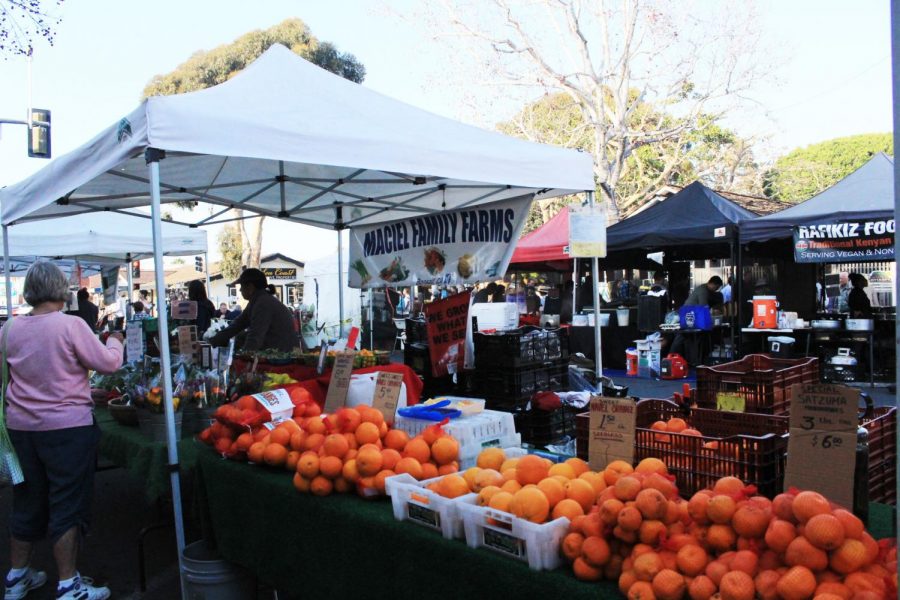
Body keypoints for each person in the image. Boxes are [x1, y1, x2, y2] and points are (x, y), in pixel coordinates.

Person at [2, 261, 123, 600]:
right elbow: (109, 363)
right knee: (66, 504)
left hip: (22, 429)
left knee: (26, 501)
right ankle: (69, 585)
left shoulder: (9, 329)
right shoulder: (70, 325)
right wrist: (115, 341)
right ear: (60, 289)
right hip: (67, 430)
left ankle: (16, 578)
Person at [209, 268, 298, 352]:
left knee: (242, 338)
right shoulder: (258, 300)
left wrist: (244, 357)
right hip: (277, 351)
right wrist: (212, 341)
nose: (240, 290)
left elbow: (255, 337)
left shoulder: (263, 303)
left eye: (241, 286)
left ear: (250, 287)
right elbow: (237, 324)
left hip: (280, 356)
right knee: (241, 337)